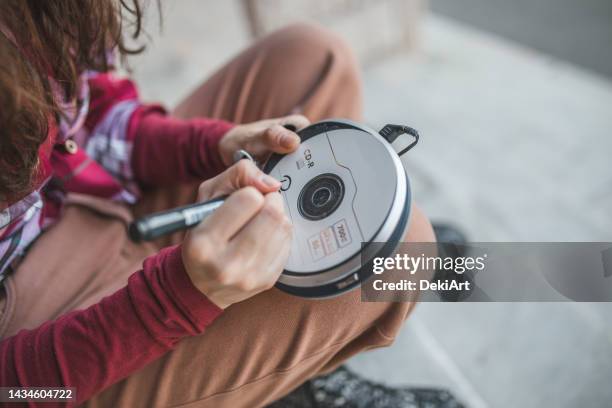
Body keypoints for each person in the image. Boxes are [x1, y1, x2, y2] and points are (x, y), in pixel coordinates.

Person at [0, 1, 436, 406]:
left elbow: (90, 118)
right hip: (39, 344)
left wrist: (215, 144)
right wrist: (172, 301)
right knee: (402, 253)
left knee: (313, 58)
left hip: (89, 198)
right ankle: (281, 379)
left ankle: (272, 368)